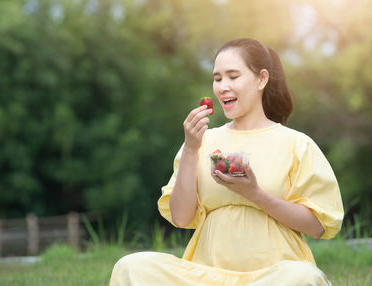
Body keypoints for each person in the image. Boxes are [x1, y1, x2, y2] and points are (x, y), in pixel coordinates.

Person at [109, 38, 344, 285]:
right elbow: (181, 218)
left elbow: (317, 226)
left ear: (261, 79)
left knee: (303, 277)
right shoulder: (201, 141)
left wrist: (254, 193)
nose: (222, 87)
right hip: (206, 277)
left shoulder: (296, 144)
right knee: (132, 267)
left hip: (271, 278)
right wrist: (190, 148)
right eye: (218, 78)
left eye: (233, 76)